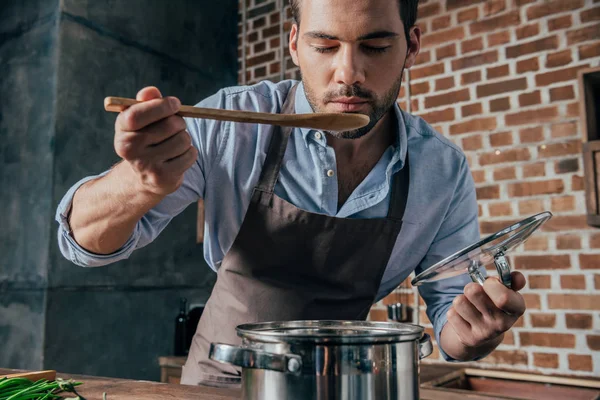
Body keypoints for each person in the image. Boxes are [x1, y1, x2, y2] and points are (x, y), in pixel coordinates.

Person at [56, 0, 527, 387]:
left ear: (412, 46)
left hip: (343, 387)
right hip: (219, 384)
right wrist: (138, 183)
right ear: (295, 44)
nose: (349, 74)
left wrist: (475, 331)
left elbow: (451, 316)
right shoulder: (231, 123)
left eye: (376, 45)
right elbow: (82, 243)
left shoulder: (440, 170)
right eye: (325, 46)